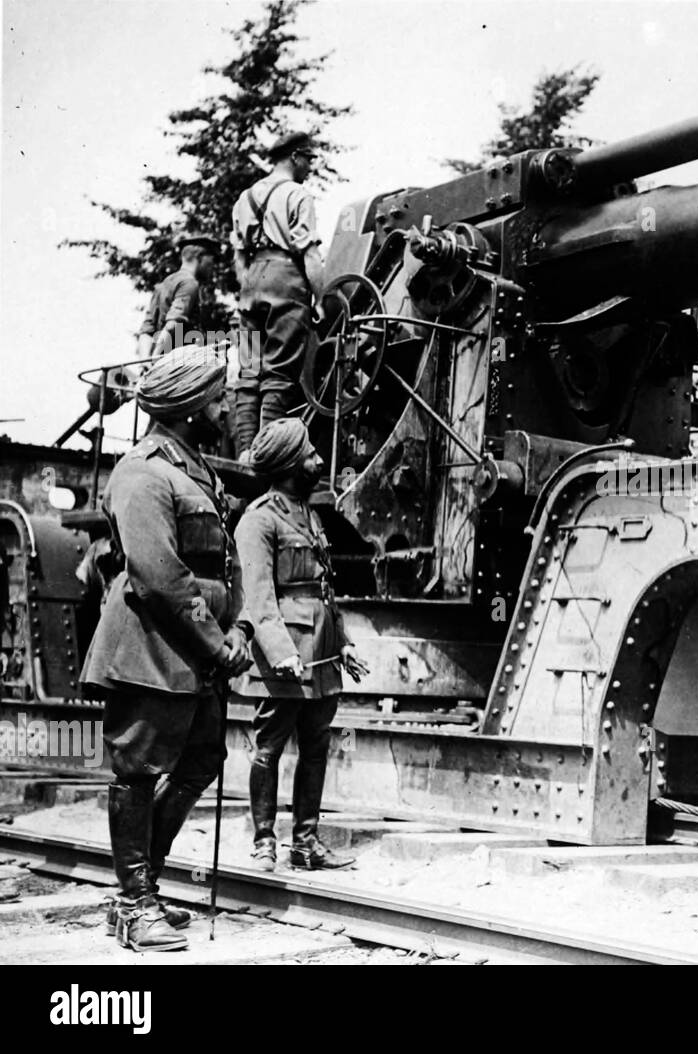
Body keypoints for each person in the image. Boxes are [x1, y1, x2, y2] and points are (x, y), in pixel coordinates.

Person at [80, 347, 253, 952]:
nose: (225, 404)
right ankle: (133, 901)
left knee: (202, 759)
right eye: (217, 395)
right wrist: (216, 640)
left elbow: (218, 565)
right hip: (151, 650)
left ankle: (140, 888)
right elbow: (159, 577)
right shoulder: (143, 471)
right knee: (137, 769)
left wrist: (235, 634)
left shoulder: (192, 468)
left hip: (194, 654)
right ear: (188, 406)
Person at [234, 417, 367, 871]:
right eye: (310, 454)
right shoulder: (259, 520)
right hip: (285, 655)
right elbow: (257, 594)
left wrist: (343, 643)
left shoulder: (309, 515)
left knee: (316, 747)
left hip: (322, 653)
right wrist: (280, 651)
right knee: (268, 746)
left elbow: (324, 590)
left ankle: (306, 843)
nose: (319, 460)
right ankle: (264, 841)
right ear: (291, 463)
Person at [229, 132, 325, 457]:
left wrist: (250, 287)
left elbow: (239, 257)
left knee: (249, 369)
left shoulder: (245, 198)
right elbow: (310, 255)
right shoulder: (298, 195)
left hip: (252, 280)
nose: (311, 167)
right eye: (309, 159)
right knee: (279, 371)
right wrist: (321, 299)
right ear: (295, 157)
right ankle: (265, 453)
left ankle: (244, 452)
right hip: (286, 276)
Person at [137, 234, 221, 359]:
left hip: (163, 364)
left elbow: (147, 329)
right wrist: (155, 358)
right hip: (179, 363)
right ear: (200, 257)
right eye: (212, 261)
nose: (213, 267)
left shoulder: (165, 283)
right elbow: (173, 323)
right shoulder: (190, 283)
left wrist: (145, 362)